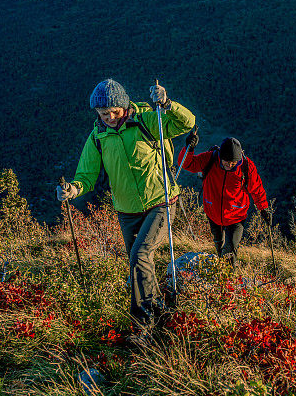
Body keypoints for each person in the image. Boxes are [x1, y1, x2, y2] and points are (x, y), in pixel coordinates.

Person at [57, 78, 195, 341]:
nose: (109, 117)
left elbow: (186, 123)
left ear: (124, 106)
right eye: (103, 113)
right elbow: (86, 175)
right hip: (126, 210)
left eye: (114, 111)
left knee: (139, 256)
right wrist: (73, 189)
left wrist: (166, 104)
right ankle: (159, 312)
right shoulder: (98, 136)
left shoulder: (146, 118)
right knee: (139, 263)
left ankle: (143, 325)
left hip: (161, 201)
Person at [177, 133, 269, 267]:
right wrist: (189, 148)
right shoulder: (210, 159)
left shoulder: (246, 167)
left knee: (230, 249)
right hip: (213, 212)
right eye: (227, 162)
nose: (230, 165)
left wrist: (263, 209)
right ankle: (221, 273)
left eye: (233, 163)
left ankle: (229, 279)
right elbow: (187, 164)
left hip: (236, 215)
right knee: (219, 246)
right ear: (220, 156)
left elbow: (257, 189)